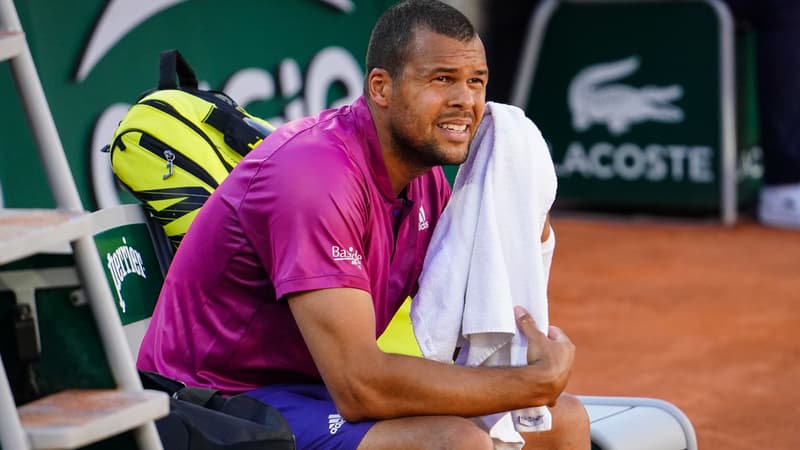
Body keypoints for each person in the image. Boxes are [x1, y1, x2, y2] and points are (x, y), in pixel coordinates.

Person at [137, 0, 590, 448]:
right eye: (442, 80)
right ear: (380, 88)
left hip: (313, 389)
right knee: (454, 444)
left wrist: (525, 204)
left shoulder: (424, 179)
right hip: (214, 405)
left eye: (476, 82)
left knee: (561, 421)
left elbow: (463, 309)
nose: (465, 101)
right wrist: (531, 384)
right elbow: (361, 386)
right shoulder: (315, 178)